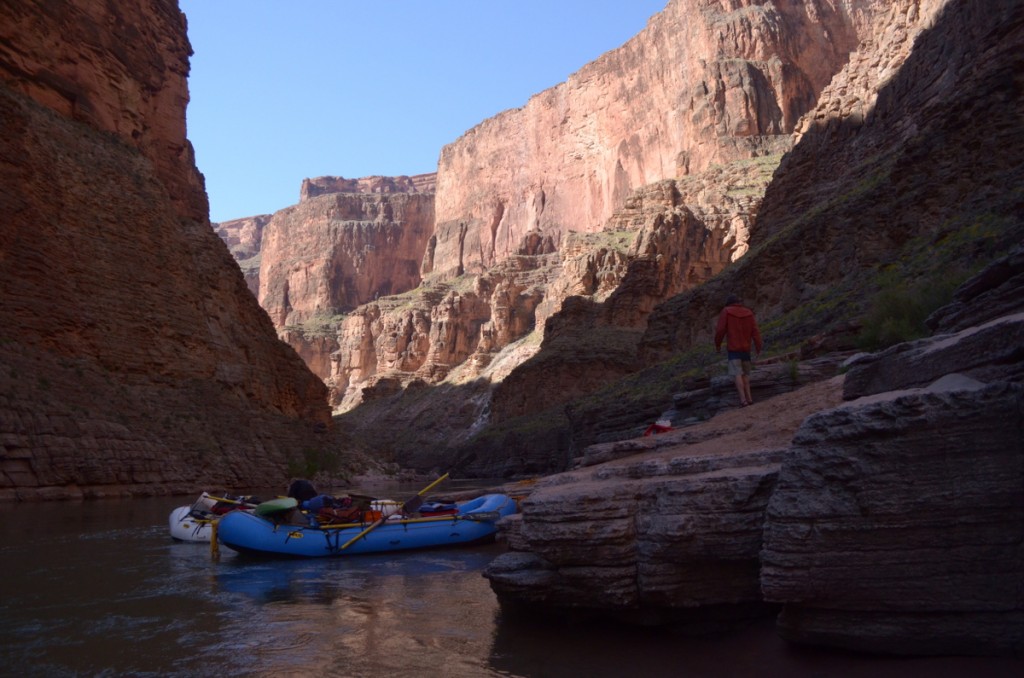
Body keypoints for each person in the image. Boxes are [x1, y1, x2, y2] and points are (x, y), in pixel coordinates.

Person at [714, 294, 763, 407]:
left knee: (737, 374)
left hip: (733, 349)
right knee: (745, 374)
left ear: (728, 303)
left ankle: (743, 400)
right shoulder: (749, 312)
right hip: (746, 349)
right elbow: (755, 332)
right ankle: (750, 398)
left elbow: (720, 330)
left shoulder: (726, 311)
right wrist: (758, 347)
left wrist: (718, 345)